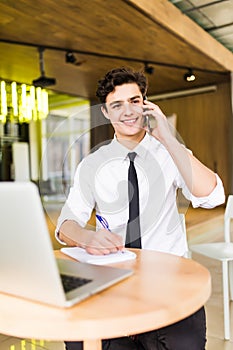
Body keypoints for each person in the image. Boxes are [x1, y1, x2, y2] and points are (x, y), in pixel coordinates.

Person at [56, 67, 225, 350]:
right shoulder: (93, 164)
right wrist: (87, 238)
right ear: (106, 113)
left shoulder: (170, 153)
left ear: (146, 103)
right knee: (79, 340)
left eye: (134, 101)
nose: (128, 111)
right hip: (114, 284)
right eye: (117, 105)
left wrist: (169, 139)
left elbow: (212, 196)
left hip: (169, 284)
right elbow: (66, 224)